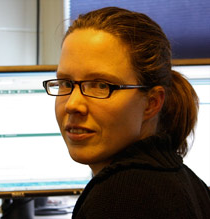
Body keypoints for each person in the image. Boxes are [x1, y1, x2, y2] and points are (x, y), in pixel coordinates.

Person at [43, 7, 210, 219]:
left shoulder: (118, 198)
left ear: (152, 103)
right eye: (65, 83)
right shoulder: (189, 183)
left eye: (101, 85)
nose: (72, 104)